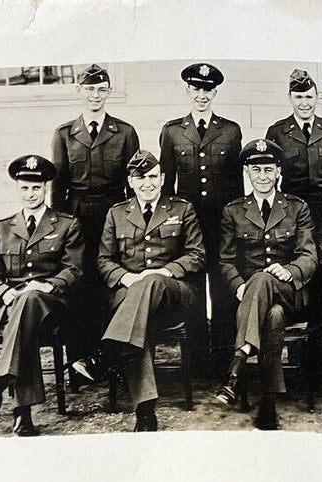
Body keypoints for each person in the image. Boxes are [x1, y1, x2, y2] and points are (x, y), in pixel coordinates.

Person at [95, 151, 206, 430]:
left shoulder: (181, 209)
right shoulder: (117, 213)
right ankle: (146, 410)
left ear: (163, 178)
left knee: (152, 282)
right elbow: (104, 260)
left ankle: (109, 349)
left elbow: (197, 255)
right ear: (131, 181)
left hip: (173, 291)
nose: (148, 183)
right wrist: (127, 278)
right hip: (130, 292)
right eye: (141, 177)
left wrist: (162, 272)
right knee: (138, 323)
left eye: (153, 176)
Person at [0, 155, 84, 437]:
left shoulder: (65, 224)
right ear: (17, 189)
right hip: (13, 308)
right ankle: (21, 416)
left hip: (52, 307)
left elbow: (75, 270)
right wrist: (8, 293)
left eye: (36, 188)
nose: (30, 194)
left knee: (31, 301)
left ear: (46, 188)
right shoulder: (1, 229)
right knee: (25, 314)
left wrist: (45, 286)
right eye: (24, 188)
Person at [216, 139, 319, 430]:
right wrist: (238, 285)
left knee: (261, 279)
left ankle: (236, 366)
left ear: (278, 174)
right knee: (272, 315)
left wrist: (289, 271)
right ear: (247, 173)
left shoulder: (297, 208)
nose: (263, 176)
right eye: (256, 170)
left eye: (269, 170)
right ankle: (269, 401)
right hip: (255, 300)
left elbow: (310, 255)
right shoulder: (233, 211)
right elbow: (224, 260)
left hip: (291, 292)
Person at [51, 64, 141, 377]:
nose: (95, 96)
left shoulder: (124, 132)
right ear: (80, 91)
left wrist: (132, 224)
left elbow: (134, 185)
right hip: (77, 219)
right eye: (89, 89)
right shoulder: (65, 134)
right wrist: (59, 229)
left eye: (101, 90)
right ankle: (80, 356)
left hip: (115, 216)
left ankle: (112, 354)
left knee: (112, 281)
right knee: (80, 284)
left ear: (109, 92)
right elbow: (58, 187)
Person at [159, 64, 244, 376]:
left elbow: (237, 187)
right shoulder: (172, 131)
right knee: (193, 290)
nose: (202, 95)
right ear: (188, 92)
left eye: (207, 90)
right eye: (196, 89)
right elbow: (166, 187)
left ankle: (223, 358)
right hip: (188, 227)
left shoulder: (231, 131)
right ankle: (196, 361)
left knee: (222, 290)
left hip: (221, 224)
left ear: (215, 93)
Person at [267, 71, 322, 379]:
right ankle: (297, 360)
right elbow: (272, 178)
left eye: (309, 96)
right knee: (299, 278)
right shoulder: (278, 132)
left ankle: (316, 362)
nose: (304, 102)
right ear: (290, 99)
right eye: (298, 97)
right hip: (292, 217)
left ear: (316, 98)